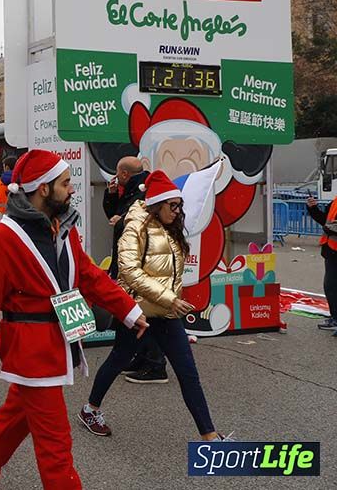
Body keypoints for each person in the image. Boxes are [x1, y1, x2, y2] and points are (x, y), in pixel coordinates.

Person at [0, 150, 147, 490]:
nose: (72, 189)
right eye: (65, 183)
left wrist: (128, 310)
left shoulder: (61, 225)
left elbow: (87, 274)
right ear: (43, 188)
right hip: (30, 351)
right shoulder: (5, 238)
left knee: (17, 415)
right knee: (56, 443)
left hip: (56, 341)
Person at [79, 170, 232, 444]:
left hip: (166, 314)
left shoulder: (171, 227)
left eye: (179, 205)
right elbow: (128, 271)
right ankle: (90, 409)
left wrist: (169, 301)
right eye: (172, 205)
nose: (177, 211)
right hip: (137, 313)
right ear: (157, 203)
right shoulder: (134, 225)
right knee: (118, 359)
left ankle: (210, 436)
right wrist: (169, 298)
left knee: (188, 372)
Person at [100, 156, 166, 383]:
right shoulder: (129, 190)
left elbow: (140, 224)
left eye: (118, 174)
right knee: (134, 310)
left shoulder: (145, 192)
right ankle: (141, 357)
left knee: (145, 312)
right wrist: (111, 195)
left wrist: (121, 221)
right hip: (129, 260)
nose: (115, 178)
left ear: (125, 174)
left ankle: (155, 365)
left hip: (139, 263)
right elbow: (114, 214)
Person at [305, 194, 337, 334]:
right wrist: (313, 208)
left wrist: (331, 228)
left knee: (331, 285)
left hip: (334, 249)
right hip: (331, 250)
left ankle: (335, 319)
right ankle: (334, 317)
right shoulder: (335, 201)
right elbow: (325, 220)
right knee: (331, 286)